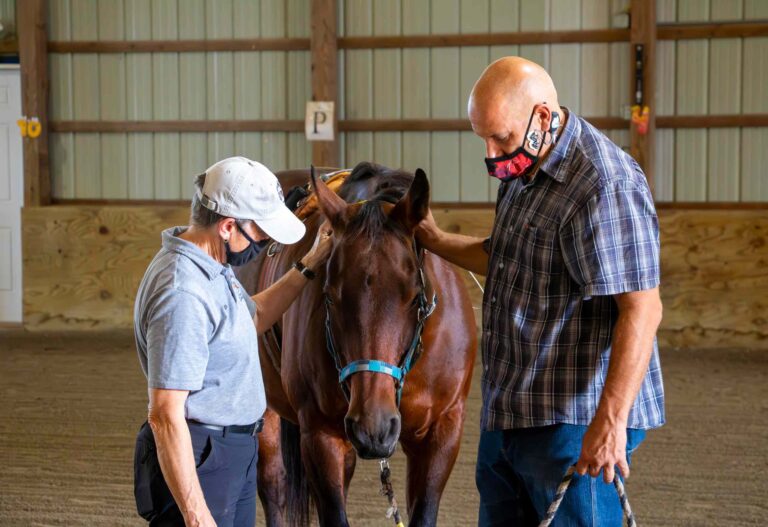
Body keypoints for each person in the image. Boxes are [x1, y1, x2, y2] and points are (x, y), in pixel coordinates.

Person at [416, 57, 665, 525]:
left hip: (573, 420)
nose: (491, 153)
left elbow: (642, 309)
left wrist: (611, 423)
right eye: (482, 138)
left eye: (501, 137)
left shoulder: (603, 184)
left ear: (542, 117)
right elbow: (506, 257)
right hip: (512, 409)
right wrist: (434, 239)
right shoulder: (524, 168)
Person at [132, 156, 331, 527]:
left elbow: (251, 318)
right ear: (227, 226)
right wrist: (196, 515)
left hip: (229, 452)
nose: (265, 242)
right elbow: (164, 414)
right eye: (261, 233)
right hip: (201, 457)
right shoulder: (183, 293)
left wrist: (307, 266)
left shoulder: (211, 267)